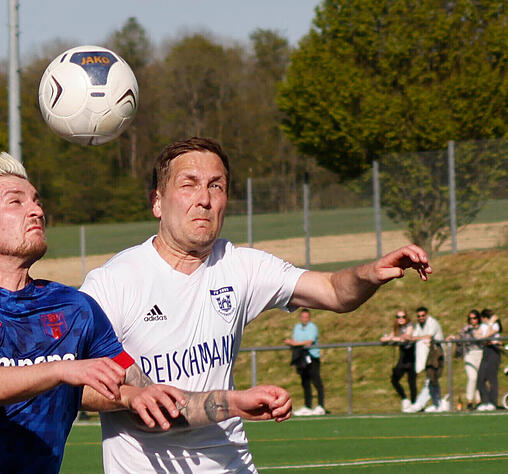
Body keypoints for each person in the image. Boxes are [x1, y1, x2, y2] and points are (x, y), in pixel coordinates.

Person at [0, 152, 292, 474]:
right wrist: (65, 369)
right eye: (16, 202)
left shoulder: (74, 309)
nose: (37, 209)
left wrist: (233, 402)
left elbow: (146, 393)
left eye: (37, 200)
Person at [80, 137, 432, 472]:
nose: (204, 199)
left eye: (216, 186)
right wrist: (130, 396)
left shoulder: (240, 266)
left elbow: (333, 291)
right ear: (157, 201)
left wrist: (371, 273)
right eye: (189, 184)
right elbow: (75, 385)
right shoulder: (113, 283)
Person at [405, 306, 447, 413]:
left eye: (423, 315)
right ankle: (438, 404)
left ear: (427, 315)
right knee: (432, 380)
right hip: (429, 355)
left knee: (430, 379)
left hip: (437, 353)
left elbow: (429, 336)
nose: (421, 318)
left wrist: (414, 338)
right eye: (419, 316)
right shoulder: (419, 325)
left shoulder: (432, 322)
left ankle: (419, 404)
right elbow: (413, 336)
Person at [283, 308, 325, 415]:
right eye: (303, 317)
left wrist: (295, 343)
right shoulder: (297, 327)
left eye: (306, 317)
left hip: (312, 357)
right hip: (301, 357)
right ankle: (308, 406)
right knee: (305, 382)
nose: (304, 319)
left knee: (316, 381)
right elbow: (296, 340)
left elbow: (309, 342)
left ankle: (321, 406)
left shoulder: (313, 327)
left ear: (309, 318)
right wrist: (292, 342)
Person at [446, 310, 483, 410]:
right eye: (470, 318)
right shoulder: (466, 329)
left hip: (481, 353)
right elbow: (459, 337)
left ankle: (479, 401)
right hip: (470, 354)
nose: (472, 320)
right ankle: (470, 401)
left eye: (474, 318)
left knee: (480, 378)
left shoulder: (482, 327)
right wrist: (452, 337)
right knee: (472, 377)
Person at [381, 310, 417, 411]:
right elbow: (391, 337)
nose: (401, 319)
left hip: (412, 356)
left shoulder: (410, 325)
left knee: (411, 382)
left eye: (403, 317)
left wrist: (392, 339)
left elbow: (406, 338)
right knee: (394, 379)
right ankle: (405, 399)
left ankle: (414, 404)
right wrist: (386, 338)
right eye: (398, 317)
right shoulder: (397, 328)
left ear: (406, 317)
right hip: (403, 356)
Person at [476, 308, 502, 411]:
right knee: (480, 378)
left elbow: (488, 335)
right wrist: (483, 336)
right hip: (486, 350)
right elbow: (477, 335)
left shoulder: (495, 325)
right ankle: (485, 401)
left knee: (492, 377)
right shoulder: (483, 326)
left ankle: (493, 402)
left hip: (494, 351)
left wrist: (490, 324)